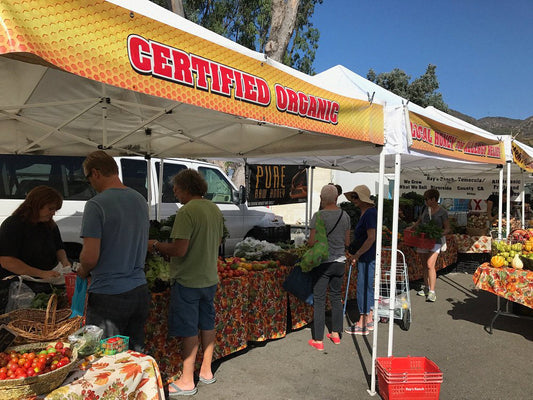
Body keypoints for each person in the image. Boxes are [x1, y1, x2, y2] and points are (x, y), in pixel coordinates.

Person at [148, 169, 224, 397]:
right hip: (209, 278)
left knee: (190, 328)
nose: (174, 192)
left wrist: (156, 245)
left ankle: (187, 380)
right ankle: (207, 371)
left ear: (186, 188)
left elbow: (179, 250)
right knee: (207, 323)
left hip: (188, 280)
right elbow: (218, 241)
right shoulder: (214, 209)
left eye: (176, 188)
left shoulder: (187, 211)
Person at [77, 150, 150, 352]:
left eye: (88, 178)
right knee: (134, 357)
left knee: (107, 359)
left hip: (109, 294)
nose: (90, 183)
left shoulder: (96, 205)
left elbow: (90, 257)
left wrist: (81, 271)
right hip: (139, 290)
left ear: (96, 173)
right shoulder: (139, 200)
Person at [0, 185, 69, 313]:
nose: (53, 213)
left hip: (46, 282)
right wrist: (41, 273)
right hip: (20, 285)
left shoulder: (50, 225)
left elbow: (59, 248)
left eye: (55, 210)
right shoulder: (13, 225)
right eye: (50, 209)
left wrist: (65, 262)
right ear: (37, 205)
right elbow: (7, 260)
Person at [308, 185, 351, 351]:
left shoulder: (318, 216)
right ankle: (335, 334)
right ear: (336, 198)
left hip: (323, 263)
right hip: (340, 262)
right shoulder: (345, 215)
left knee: (319, 299)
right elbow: (347, 242)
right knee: (335, 297)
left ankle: (318, 340)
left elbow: (312, 242)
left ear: (321, 198)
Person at [344, 185, 377, 336]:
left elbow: (371, 238)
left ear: (363, 198)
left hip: (366, 256)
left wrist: (357, 254)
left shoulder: (369, 213)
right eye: (353, 197)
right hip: (366, 255)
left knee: (363, 287)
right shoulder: (367, 212)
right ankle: (368, 319)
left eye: (356, 197)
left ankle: (362, 323)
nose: (353, 200)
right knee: (367, 286)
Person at [411, 189, 450, 303]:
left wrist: (439, 233)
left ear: (433, 199)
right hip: (423, 240)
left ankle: (432, 292)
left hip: (435, 240)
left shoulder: (442, 212)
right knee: (424, 265)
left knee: (430, 265)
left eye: (427, 199)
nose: (425, 201)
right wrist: (412, 228)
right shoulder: (424, 209)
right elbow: (419, 221)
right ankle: (426, 287)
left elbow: (447, 228)